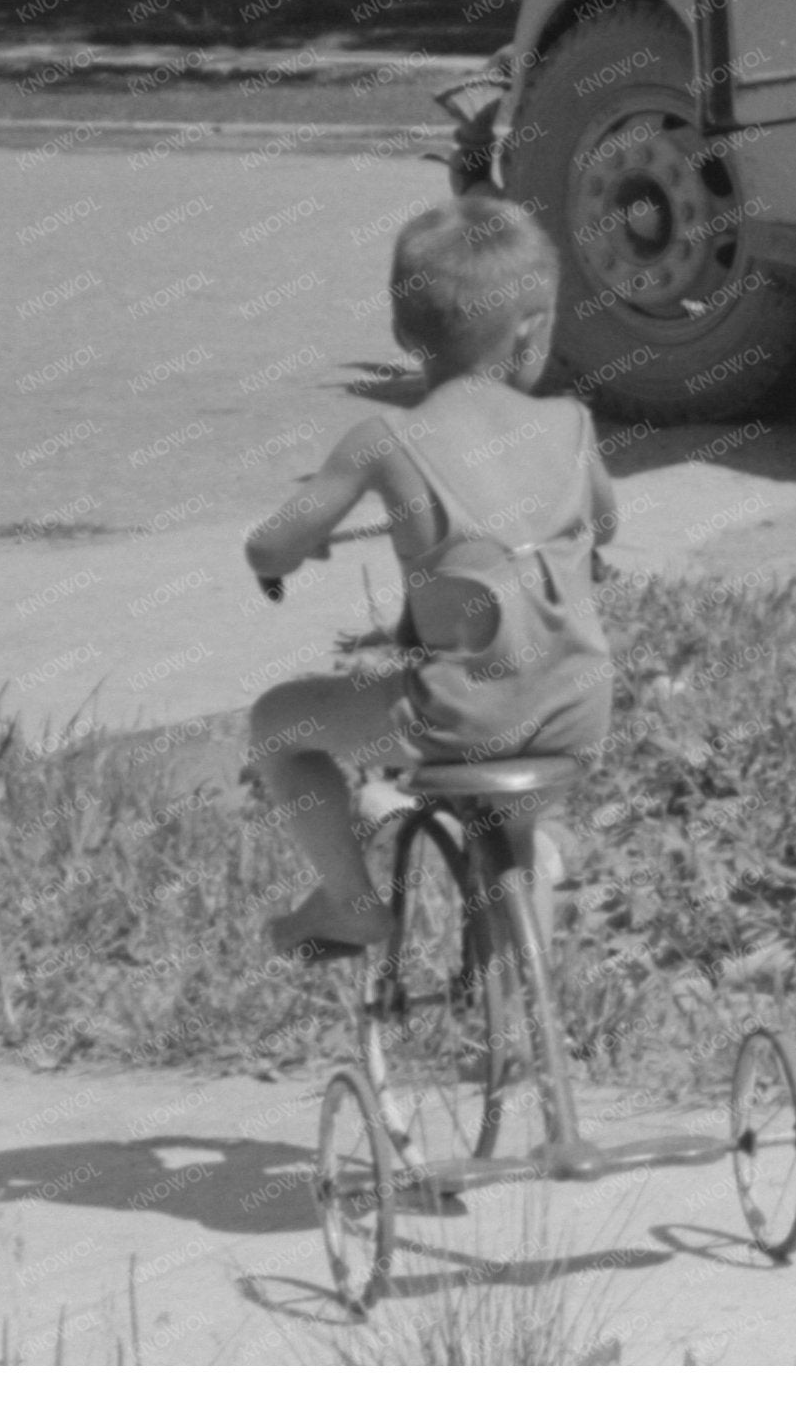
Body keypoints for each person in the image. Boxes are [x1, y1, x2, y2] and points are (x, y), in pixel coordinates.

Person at [243, 196, 618, 957]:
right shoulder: (573, 426)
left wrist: (290, 556)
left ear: (403, 333)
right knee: (509, 806)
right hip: (579, 709)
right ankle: (518, 1024)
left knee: (277, 724)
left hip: (461, 718)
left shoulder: (383, 440)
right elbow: (601, 528)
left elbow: (269, 548)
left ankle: (351, 903)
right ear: (533, 330)